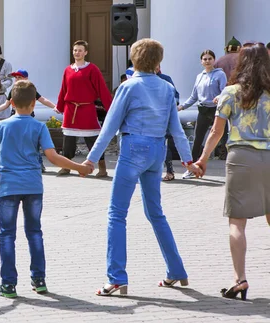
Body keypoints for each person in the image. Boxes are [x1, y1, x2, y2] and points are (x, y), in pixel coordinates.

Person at [82, 39, 202, 296]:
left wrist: (91, 159)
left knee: (117, 214)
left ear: (133, 59)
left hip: (133, 148)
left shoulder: (128, 87)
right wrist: (188, 160)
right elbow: (176, 129)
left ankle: (116, 278)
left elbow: (110, 126)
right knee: (156, 213)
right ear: (158, 61)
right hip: (157, 150)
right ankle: (176, 270)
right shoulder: (167, 88)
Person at [0, 80, 91, 298]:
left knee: (7, 235)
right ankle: (39, 280)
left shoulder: (2, 126)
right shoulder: (38, 126)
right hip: (33, 186)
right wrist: (79, 168)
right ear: (33, 104)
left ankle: (8, 284)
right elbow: (53, 157)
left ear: (11, 102)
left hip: (8, 187)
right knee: (34, 233)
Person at [195, 43, 270, 301]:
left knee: (237, 222)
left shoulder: (230, 92)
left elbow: (216, 132)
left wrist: (203, 159)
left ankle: (239, 280)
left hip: (241, 158)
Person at [56, 40, 112, 177]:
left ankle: (102, 167)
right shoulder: (68, 70)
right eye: (75, 50)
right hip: (71, 109)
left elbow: (102, 89)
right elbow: (64, 89)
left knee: (92, 138)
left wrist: (110, 107)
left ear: (85, 52)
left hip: (86, 109)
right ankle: (66, 166)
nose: (77, 53)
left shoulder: (92, 69)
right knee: (68, 140)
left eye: (80, 50)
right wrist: (60, 106)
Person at [0, 69, 60, 172]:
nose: (17, 79)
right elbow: (6, 104)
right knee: (16, 142)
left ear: (26, 79)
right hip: (15, 119)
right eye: (16, 78)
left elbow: (42, 99)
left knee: (32, 142)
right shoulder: (14, 90)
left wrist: (55, 106)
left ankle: (39, 163)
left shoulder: (30, 90)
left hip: (28, 120)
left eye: (19, 77)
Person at [178, 50, 227, 179]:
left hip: (216, 109)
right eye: (204, 59)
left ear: (214, 60)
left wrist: (219, 97)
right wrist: (182, 107)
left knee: (224, 138)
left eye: (210, 58)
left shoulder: (220, 74)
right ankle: (192, 168)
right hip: (203, 110)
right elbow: (194, 96)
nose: (207, 61)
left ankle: (229, 169)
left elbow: (225, 91)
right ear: (201, 61)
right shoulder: (199, 76)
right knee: (197, 139)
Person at [155, 67, 181, 181]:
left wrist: (172, 106)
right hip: (151, 119)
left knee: (165, 143)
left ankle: (170, 171)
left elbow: (176, 95)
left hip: (164, 117)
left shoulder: (166, 79)